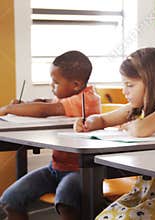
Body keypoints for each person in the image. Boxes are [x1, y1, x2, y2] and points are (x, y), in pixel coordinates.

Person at [77, 48, 155, 220]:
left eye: (130, 85)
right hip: (142, 192)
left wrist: (128, 126)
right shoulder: (138, 108)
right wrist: (89, 122)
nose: (124, 91)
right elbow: (104, 120)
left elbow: (140, 130)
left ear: (154, 82)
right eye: (123, 84)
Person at [0, 50, 101, 220]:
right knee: (10, 200)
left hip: (82, 171)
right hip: (55, 168)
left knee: (65, 201)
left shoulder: (87, 100)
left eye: (55, 83)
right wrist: (24, 105)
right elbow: (44, 103)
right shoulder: (67, 96)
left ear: (76, 84)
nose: (51, 87)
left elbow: (46, 110)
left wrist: (8, 109)